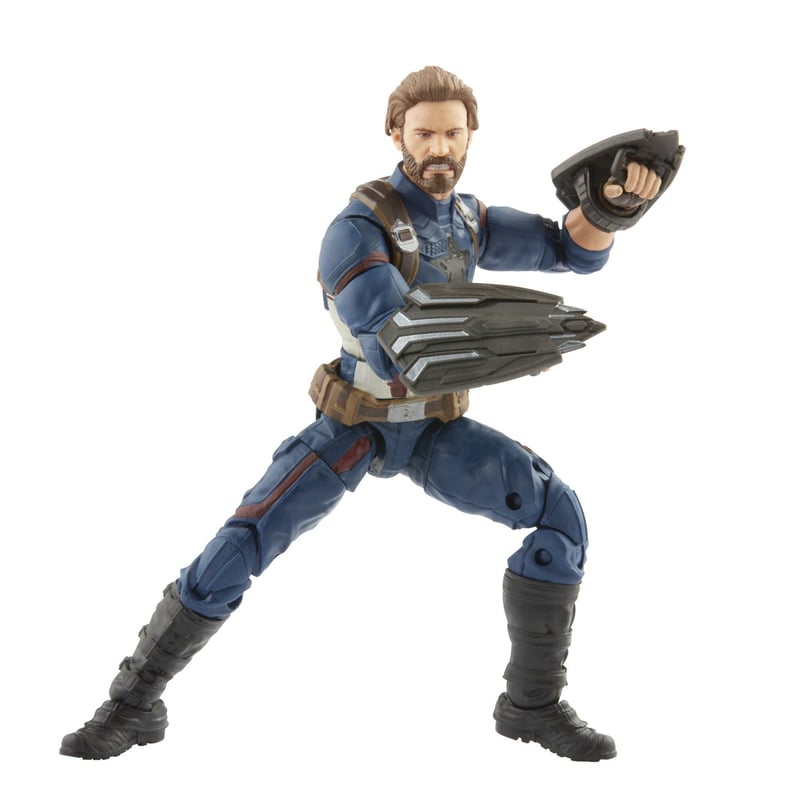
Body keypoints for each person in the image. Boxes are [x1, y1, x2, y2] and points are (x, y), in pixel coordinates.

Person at [61, 66, 663, 762]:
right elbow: (392, 341)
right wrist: (501, 341)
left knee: (561, 517)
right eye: (425, 133)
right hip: (357, 426)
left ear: (471, 135)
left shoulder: (469, 220)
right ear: (396, 133)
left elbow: (570, 252)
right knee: (240, 547)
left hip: (434, 431)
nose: (440, 147)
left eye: (453, 133)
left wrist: (611, 206)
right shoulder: (358, 228)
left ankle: (532, 705)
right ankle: (133, 704)